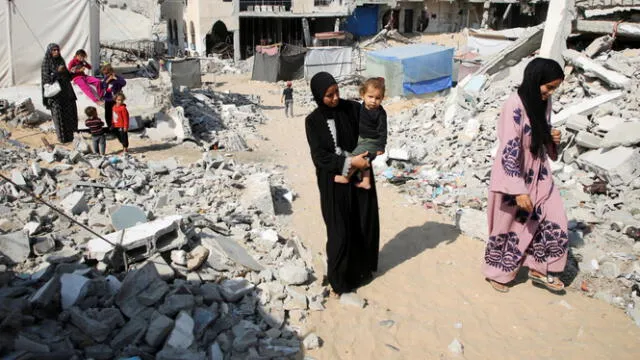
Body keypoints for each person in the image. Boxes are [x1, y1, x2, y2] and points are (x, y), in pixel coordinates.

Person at [483, 58, 568, 294]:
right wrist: (517, 189)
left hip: (539, 172)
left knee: (554, 217)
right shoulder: (514, 105)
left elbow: (542, 130)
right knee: (509, 224)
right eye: (548, 87)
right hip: (516, 173)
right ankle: (497, 272)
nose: (550, 93)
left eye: (554, 89)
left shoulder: (544, 102)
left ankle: (540, 268)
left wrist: (552, 136)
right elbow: (509, 146)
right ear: (535, 80)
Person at [305, 72, 380, 296]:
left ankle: (361, 272)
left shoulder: (353, 109)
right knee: (339, 231)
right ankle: (339, 280)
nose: (336, 98)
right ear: (319, 96)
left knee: (361, 223)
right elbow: (320, 157)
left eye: (337, 92)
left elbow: (371, 135)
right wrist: (347, 163)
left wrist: (363, 159)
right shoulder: (313, 121)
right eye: (329, 95)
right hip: (332, 183)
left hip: (359, 176)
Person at [334, 77, 387, 190]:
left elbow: (383, 130)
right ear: (363, 95)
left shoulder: (380, 113)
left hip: (372, 141)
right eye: (370, 97)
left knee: (354, 157)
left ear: (382, 98)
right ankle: (366, 181)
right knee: (365, 160)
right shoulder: (361, 106)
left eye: (378, 98)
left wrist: (381, 146)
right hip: (361, 138)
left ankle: (346, 177)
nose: (373, 101)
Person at [41, 43, 78, 144]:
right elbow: (46, 79)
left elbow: (67, 77)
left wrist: (72, 72)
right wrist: (57, 72)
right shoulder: (46, 63)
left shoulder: (61, 60)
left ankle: (71, 137)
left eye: (57, 50)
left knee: (70, 115)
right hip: (56, 95)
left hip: (66, 92)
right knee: (59, 117)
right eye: (54, 50)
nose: (56, 52)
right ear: (50, 51)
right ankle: (62, 139)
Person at [100, 64, 127, 129]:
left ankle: (119, 125)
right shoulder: (106, 79)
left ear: (111, 72)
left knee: (117, 113)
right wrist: (107, 80)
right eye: (104, 74)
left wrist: (116, 78)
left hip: (116, 99)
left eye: (107, 73)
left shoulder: (117, 78)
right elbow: (103, 87)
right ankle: (110, 126)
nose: (105, 75)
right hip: (108, 99)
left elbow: (124, 83)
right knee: (108, 113)